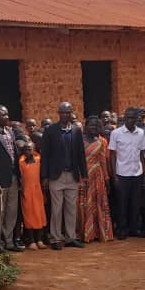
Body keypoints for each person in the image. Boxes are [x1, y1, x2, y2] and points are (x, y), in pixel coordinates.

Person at [40, 102, 87, 250]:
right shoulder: (51, 131)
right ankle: (55, 238)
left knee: (71, 208)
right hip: (56, 176)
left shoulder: (76, 131)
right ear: (58, 113)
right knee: (57, 208)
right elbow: (45, 155)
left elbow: (81, 154)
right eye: (63, 112)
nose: (66, 115)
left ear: (72, 113)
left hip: (72, 175)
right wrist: (44, 177)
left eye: (68, 112)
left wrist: (84, 175)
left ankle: (70, 237)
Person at [0, 105, 27, 253]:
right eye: (3, 115)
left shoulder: (10, 133)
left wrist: (19, 177)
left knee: (11, 211)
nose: (7, 117)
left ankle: (8, 240)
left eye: (7, 114)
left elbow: (15, 155)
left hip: (13, 178)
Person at [109, 107, 145, 239]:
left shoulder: (141, 133)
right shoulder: (116, 133)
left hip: (137, 173)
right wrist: (114, 176)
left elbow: (142, 154)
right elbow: (113, 156)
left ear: (137, 119)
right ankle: (122, 229)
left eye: (133, 118)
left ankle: (134, 229)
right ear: (124, 118)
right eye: (128, 118)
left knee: (135, 203)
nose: (131, 120)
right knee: (122, 204)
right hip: (122, 174)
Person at [78, 116, 114, 242]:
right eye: (91, 125)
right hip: (82, 176)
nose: (93, 128)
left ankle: (99, 232)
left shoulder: (102, 142)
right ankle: (85, 234)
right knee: (84, 204)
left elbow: (103, 161)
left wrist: (107, 179)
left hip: (97, 177)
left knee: (97, 203)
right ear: (85, 126)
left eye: (96, 126)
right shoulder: (79, 141)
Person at [18, 140, 46, 249]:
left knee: (39, 215)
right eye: (26, 150)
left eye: (30, 149)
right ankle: (32, 241)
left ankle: (39, 240)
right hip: (27, 192)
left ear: (34, 150)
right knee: (29, 216)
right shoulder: (21, 163)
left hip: (38, 191)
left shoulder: (39, 160)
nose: (28, 152)